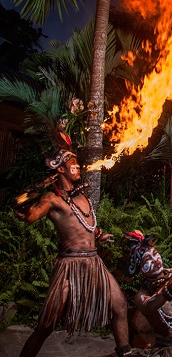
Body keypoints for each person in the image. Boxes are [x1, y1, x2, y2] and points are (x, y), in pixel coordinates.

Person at [14, 148, 131, 357]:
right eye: (73, 164)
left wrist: (97, 235)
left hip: (94, 263)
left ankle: (125, 353)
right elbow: (32, 215)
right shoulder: (52, 199)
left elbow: (85, 224)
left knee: (120, 305)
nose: (78, 167)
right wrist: (25, 210)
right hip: (70, 267)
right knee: (46, 324)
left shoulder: (82, 197)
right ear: (60, 169)